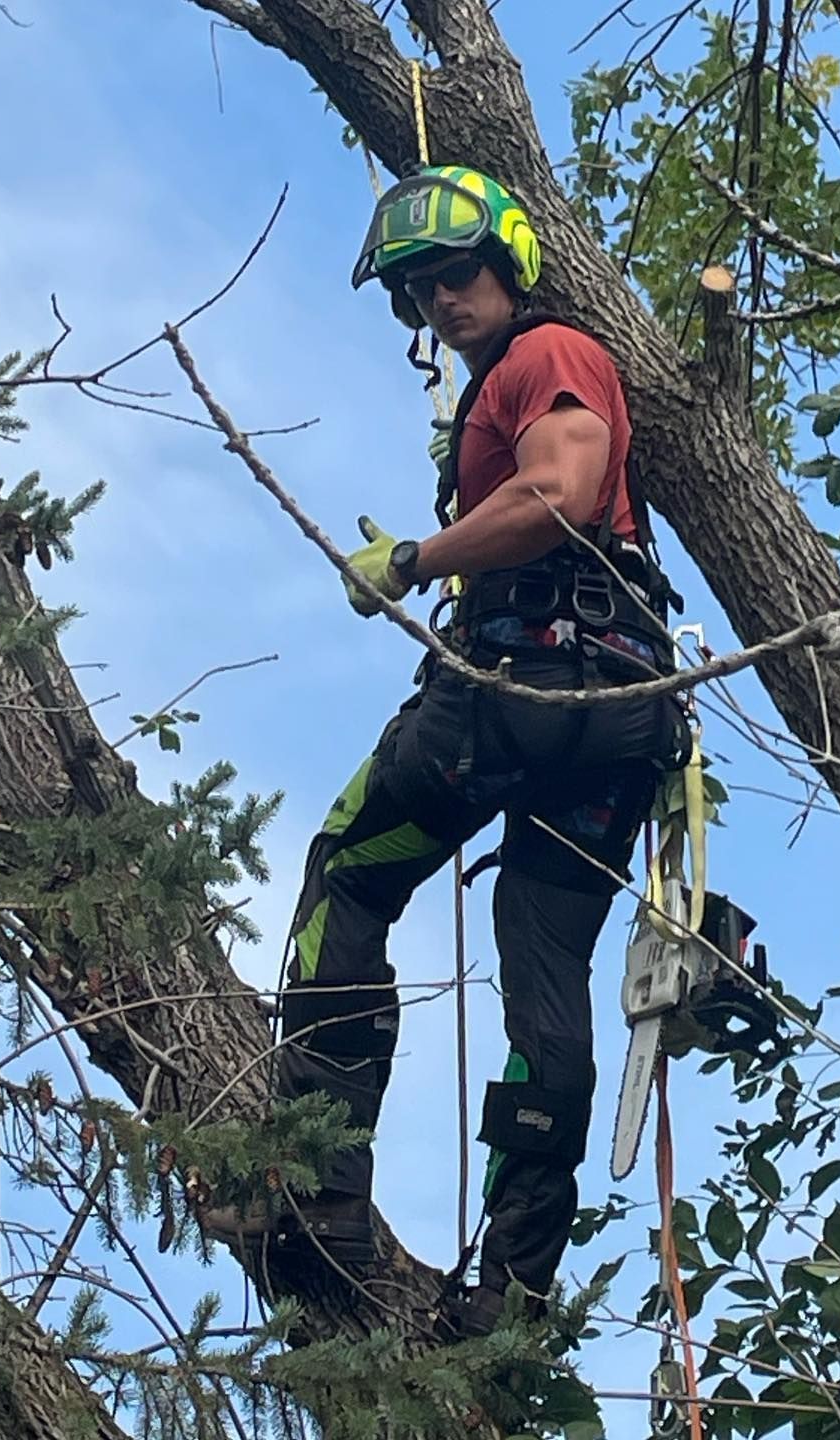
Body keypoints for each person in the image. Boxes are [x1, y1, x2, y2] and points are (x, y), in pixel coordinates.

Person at [204, 166, 690, 1336]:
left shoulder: (547, 355)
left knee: (350, 869)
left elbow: (565, 488)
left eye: (456, 272)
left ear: (508, 262)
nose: (441, 298)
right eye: (420, 287)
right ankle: (511, 1300)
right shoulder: (498, 383)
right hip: (612, 733)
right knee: (545, 999)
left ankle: (318, 1187)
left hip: (519, 694)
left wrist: (423, 561)